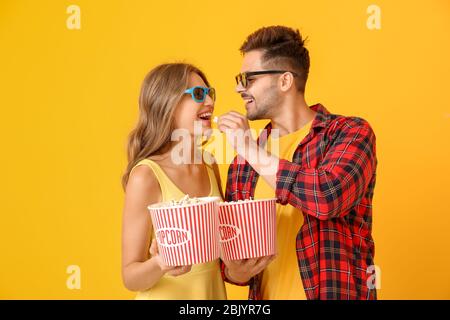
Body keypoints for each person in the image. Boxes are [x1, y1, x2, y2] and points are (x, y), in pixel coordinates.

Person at [218, 26, 377, 300]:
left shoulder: (349, 133)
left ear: (285, 81)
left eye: (249, 78)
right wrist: (235, 271)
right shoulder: (242, 167)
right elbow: (231, 257)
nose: (239, 88)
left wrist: (247, 148)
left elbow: (328, 196)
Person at [121, 63, 227, 299]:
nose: (209, 102)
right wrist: (161, 263)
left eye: (210, 93)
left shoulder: (209, 164)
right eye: (198, 94)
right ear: (167, 104)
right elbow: (130, 276)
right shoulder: (147, 175)